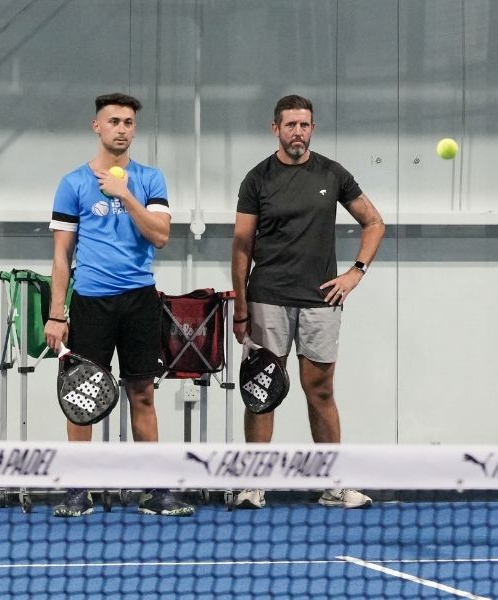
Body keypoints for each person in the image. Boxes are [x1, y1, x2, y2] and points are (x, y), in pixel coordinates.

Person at [230, 94, 386, 510]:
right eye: (290, 125)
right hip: (267, 298)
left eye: (304, 125)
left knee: (320, 391)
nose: (297, 132)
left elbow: (373, 222)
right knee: (260, 390)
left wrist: (355, 272)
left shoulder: (333, 174)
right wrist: (241, 306)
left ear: (312, 129)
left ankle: (333, 484)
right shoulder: (257, 179)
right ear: (275, 129)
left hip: (320, 302)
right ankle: (253, 485)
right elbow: (242, 247)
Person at [43, 93, 192, 517]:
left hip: (140, 301)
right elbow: (60, 255)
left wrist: (125, 194)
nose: (122, 128)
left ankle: (155, 490)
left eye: (128, 122)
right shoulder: (72, 183)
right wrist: (58, 313)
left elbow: (160, 236)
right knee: (83, 396)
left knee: (142, 394)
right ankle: (77, 490)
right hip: (91, 302)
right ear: (97, 127)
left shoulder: (149, 179)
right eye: (114, 121)